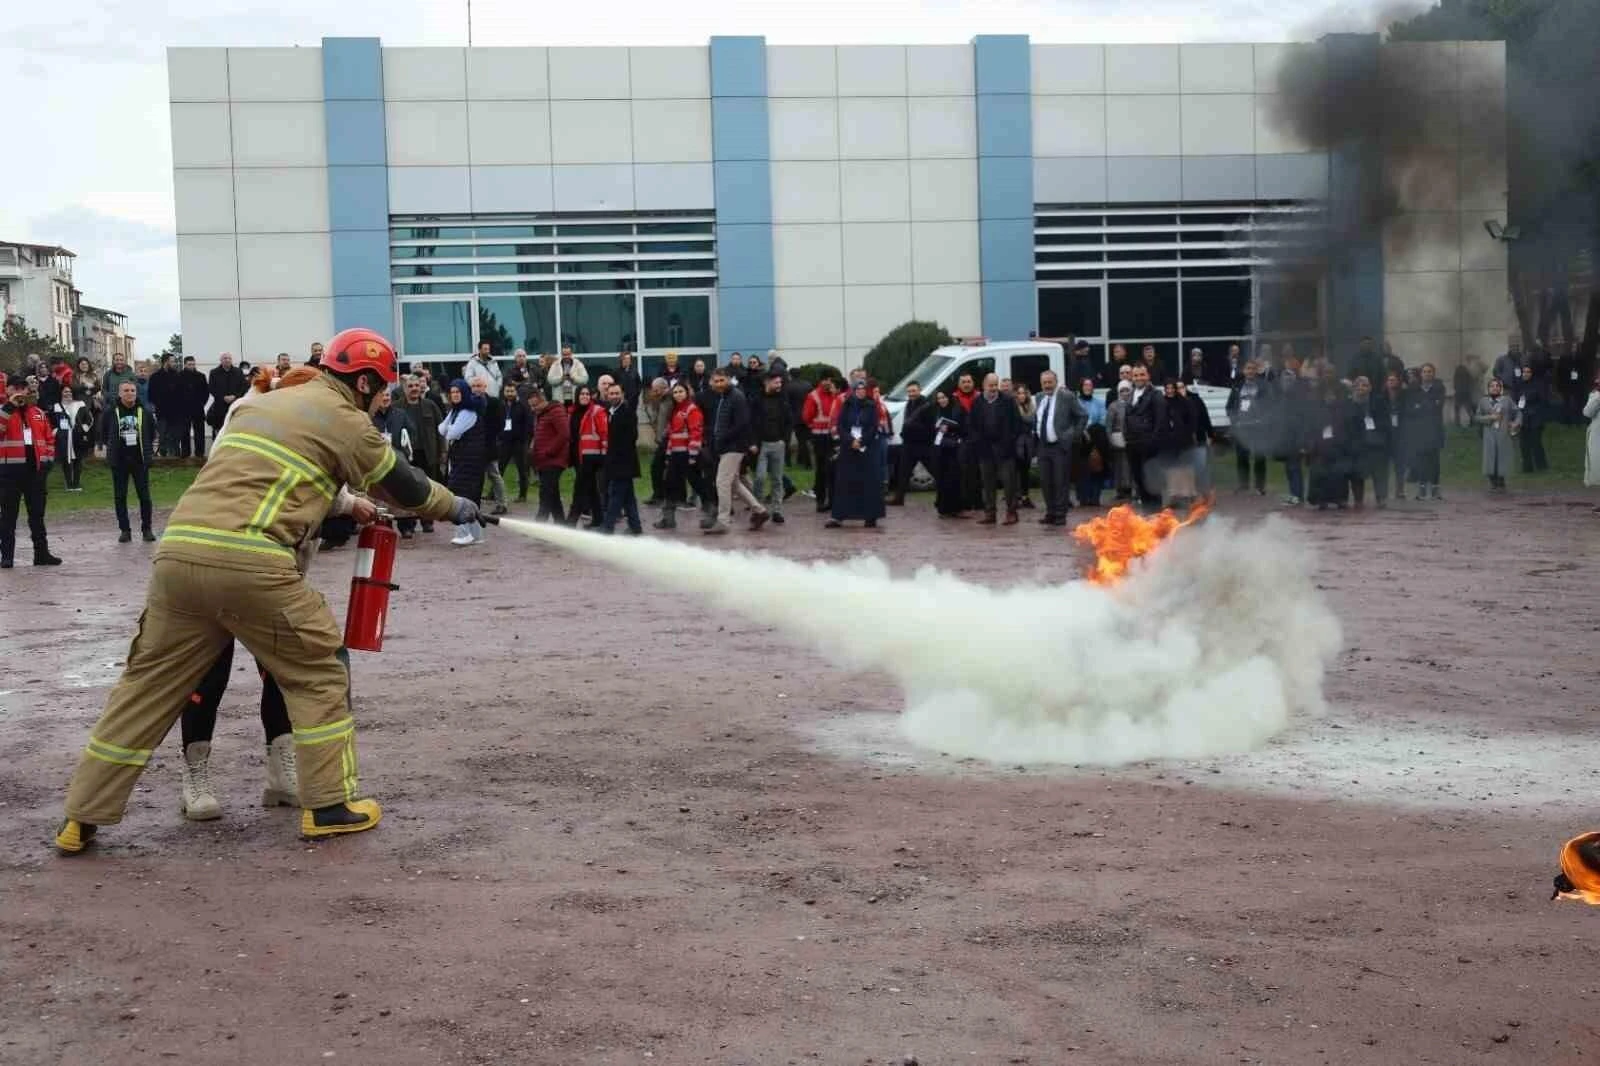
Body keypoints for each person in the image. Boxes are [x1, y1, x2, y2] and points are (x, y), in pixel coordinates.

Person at [56, 328, 480, 854]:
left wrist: (346, 505)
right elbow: (405, 486)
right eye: (380, 391)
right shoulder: (346, 420)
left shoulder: (266, 405)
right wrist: (454, 505)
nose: (380, 402)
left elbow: (267, 477)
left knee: (144, 687)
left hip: (178, 555)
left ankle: (81, 817)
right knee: (321, 665)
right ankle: (328, 806)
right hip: (252, 561)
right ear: (365, 380)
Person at [173, 366, 366, 822]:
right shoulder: (245, 414)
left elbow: (309, 479)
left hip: (276, 573)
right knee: (207, 677)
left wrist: (350, 503)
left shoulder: (306, 425)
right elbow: (267, 473)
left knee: (281, 671)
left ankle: (281, 776)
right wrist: (347, 502)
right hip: (225, 564)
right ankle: (194, 778)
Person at [1, 375, 62, 569]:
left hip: (35, 472)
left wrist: (48, 460)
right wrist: (9, 408)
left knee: (37, 515)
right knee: (8, 516)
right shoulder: (3, 412)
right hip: (8, 473)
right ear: (8, 390)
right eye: (15, 388)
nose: (20, 391)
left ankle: (41, 554)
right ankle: (7, 556)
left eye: (23, 388)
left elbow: (49, 439)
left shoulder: (38, 413)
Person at [706, 368, 768, 534]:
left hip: (733, 447)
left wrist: (723, 438)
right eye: (716, 381)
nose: (718, 384)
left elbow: (742, 423)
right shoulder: (723, 397)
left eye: (721, 380)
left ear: (728, 379)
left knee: (722, 482)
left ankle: (723, 521)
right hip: (726, 446)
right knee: (734, 483)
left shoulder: (736, 396)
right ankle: (760, 511)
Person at [826, 378, 885, 529]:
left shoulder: (871, 405)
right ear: (853, 390)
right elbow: (841, 425)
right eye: (858, 389)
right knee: (845, 481)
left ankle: (870, 516)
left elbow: (873, 426)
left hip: (867, 448)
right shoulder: (847, 404)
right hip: (849, 446)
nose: (861, 392)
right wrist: (850, 440)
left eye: (863, 389)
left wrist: (862, 441)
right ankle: (839, 516)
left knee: (869, 482)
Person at [103, 380, 157, 542]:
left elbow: (152, 432)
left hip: (139, 460)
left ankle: (147, 529)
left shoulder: (144, 411)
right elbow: (104, 432)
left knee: (145, 497)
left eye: (133, 390)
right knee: (120, 496)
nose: (130, 393)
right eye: (126, 390)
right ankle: (125, 530)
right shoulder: (110, 411)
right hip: (119, 461)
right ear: (119, 394)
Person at [968, 373, 1023, 525]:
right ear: (984, 385)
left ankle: (1012, 512)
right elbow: (971, 424)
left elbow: (1017, 423)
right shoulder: (977, 402)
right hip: (985, 449)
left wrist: (1010, 440)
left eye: (995, 385)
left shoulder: (1008, 401)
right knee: (988, 483)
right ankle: (990, 513)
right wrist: (977, 441)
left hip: (1005, 450)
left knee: (1009, 482)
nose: (993, 388)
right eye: (990, 385)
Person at [1034, 370, 1087, 526]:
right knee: (1045, 481)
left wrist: (1073, 435)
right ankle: (1050, 512)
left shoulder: (1066, 396)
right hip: (1043, 445)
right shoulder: (1039, 397)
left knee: (1060, 481)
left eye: (1050, 382)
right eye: (1044, 383)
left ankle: (1060, 514)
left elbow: (1082, 415)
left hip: (1060, 445)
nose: (1047, 385)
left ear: (1056, 382)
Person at [440, 379, 489, 545]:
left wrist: (451, 429)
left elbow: (450, 434)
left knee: (461, 494)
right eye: (452, 392)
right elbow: (441, 428)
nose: (454, 395)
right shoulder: (456, 410)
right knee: (468, 494)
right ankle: (476, 535)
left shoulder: (467, 412)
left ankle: (463, 533)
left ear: (464, 392)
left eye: (458, 392)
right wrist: (450, 428)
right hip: (463, 458)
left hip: (470, 459)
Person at [654, 382, 705, 530]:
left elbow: (696, 433)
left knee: (697, 484)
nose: (677, 394)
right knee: (669, 485)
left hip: (688, 455)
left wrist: (693, 456)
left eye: (680, 391)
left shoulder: (692, 410)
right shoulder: (676, 411)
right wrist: (669, 454)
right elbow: (672, 435)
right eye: (675, 392)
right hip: (676, 455)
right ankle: (668, 519)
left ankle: (711, 512)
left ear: (687, 393)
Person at [371, 386, 420, 539]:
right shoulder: (370, 416)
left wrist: (407, 448)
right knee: (382, 496)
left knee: (403, 494)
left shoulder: (400, 414)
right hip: (379, 460)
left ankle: (407, 527)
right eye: (382, 395)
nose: (385, 398)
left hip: (399, 459)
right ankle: (385, 526)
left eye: (387, 395)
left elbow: (412, 433)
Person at [599, 381, 643, 535]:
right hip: (616, 463)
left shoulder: (627, 412)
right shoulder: (610, 412)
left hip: (623, 463)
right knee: (628, 497)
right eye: (611, 393)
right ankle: (635, 527)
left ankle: (607, 527)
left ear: (622, 394)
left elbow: (631, 437)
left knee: (615, 495)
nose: (614, 396)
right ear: (607, 395)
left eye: (617, 393)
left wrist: (615, 458)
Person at [752, 372, 792, 524]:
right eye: (776, 382)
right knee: (760, 477)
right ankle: (757, 509)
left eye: (780, 382)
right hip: (761, 444)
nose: (779, 385)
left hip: (778, 444)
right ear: (766, 382)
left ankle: (777, 510)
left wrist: (784, 440)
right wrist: (753, 442)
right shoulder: (756, 400)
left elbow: (789, 420)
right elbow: (751, 421)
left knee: (777, 479)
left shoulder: (783, 399)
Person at [1405, 362, 1448, 501]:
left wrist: (1422, 405)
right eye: (1425, 371)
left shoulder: (1439, 388)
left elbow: (1438, 406)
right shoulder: (1414, 389)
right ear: (1421, 374)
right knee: (1421, 460)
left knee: (1434, 460)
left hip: (1435, 429)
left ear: (1433, 374)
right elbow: (1411, 408)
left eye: (1430, 371)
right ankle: (1422, 489)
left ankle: (1435, 489)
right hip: (1420, 431)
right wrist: (1427, 404)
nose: (1427, 374)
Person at [1305, 382, 1352, 510]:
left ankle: (1340, 499)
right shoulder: (1316, 409)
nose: (1330, 397)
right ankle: (1321, 500)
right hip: (1320, 447)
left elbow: (1346, 426)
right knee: (1319, 474)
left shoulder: (1341, 409)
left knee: (1339, 474)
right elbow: (1310, 428)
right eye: (1327, 395)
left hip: (1338, 445)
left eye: (1332, 395)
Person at [1124, 365, 1164, 510]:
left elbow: (1160, 421)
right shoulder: (1130, 395)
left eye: (1142, 375)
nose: (1139, 378)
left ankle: (1156, 515)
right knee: (1139, 481)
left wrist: (1153, 442)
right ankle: (1147, 514)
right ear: (1131, 378)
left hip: (1149, 445)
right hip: (1133, 445)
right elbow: (1127, 419)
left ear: (1148, 376)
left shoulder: (1156, 394)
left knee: (1151, 482)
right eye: (1136, 375)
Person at [1226, 360, 1270, 495]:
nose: (1250, 371)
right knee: (1242, 457)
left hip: (1257, 427)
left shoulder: (1263, 387)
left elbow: (1269, 406)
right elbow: (1229, 406)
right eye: (1248, 368)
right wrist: (1234, 421)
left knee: (1259, 457)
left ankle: (1260, 486)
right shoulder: (1237, 387)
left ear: (1256, 371)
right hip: (1241, 428)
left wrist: (1263, 419)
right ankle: (1243, 485)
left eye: (1253, 369)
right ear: (1244, 371)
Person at [1348, 375, 1392, 508]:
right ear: (1354, 388)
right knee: (1357, 472)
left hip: (1377, 443)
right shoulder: (1350, 404)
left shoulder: (1378, 401)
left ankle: (1381, 498)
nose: (1361, 388)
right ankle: (1358, 500)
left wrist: (1381, 436)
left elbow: (1386, 422)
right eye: (1358, 385)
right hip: (1358, 444)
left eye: (1365, 385)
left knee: (1379, 473)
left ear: (1370, 388)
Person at [892, 381, 936, 508]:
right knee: (903, 472)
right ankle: (899, 498)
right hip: (909, 444)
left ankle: (947, 495)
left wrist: (913, 428)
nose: (911, 394)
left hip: (923, 445)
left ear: (919, 390)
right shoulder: (908, 404)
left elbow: (930, 427)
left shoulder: (927, 405)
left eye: (914, 391)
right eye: (909, 391)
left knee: (935, 470)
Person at [528, 389, 570, 522]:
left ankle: (539, 523)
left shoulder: (556, 411)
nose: (533, 409)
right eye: (531, 406)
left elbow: (564, 434)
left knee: (545, 494)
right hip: (544, 461)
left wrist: (550, 452)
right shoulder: (542, 414)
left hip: (553, 461)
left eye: (535, 405)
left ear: (543, 400)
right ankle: (561, 525)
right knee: (553, 495)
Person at [802, 377, 841, 513]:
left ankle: (832, 500)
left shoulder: (836, 395)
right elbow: (807, 416)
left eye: (830, 380)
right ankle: (820, 500)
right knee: (821, 470)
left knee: (832, 469)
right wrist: (815, 426)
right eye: (825, 379)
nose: (828, 383)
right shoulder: (813, 396)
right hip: (819, 437)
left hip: (833, 437)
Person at [1475, 377, 1520, 492]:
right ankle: (1492, 481)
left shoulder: (1507, 400)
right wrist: (1490, 417)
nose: (1495, 388)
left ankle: (1501, 482)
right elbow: (1477, 417)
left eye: (1497, 386)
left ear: (1501, 388)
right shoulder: (1483, 401)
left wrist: (1515, 423)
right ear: (1488, 388)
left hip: (1503, 433)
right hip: (1489, 434)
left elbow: (1518, 412)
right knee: (1490, 457)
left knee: (1502, 457)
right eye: (1492, 386)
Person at [1274, 368, 1309, 507]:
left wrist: (1302, 442)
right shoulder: (1281, 396)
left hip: (1296, 439)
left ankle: (1298, 495)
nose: (1286, 381)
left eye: (1289, 379)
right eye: (1284, 379)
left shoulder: (1299, 397)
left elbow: (1303, 421)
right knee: (1289, 468)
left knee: (1295, 468)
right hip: (1285, 438)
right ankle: (1294, 494)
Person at [1159, 380, 1197, 506]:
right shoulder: (1161, 402)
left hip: (1184, 440)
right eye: (1167, 388)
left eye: (1172, 388)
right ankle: (1173, 496)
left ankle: (1188, 494)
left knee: (1185, 467)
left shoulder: (1185, 402)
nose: (1169, 391)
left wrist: (1186, 432)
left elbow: (1191, 420)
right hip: (1167, 441)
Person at [1073, 376, 1109, 509]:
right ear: (1081, 387)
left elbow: (1103, 419)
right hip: (1081, 441)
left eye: (1090, 385)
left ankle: (1095, 497)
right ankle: (1083, 497)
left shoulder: (1099, 402)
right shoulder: (1075, 402)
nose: (1088, 387)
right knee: (1082, 471)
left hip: (1096, 441)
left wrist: (1091, 431)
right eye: (1085, 385)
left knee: (1097, 468)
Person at [929, 391, 966, 518]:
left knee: (954, 477)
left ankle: (955, 507)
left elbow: (963, 426)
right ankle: (943, 508)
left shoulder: (957, 410)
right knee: (942, 478)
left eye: (944, 397)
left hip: (953, 447)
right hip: (939, 447)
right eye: (939, 398)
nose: (942, 400)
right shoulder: (935, 411)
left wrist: (950, 428)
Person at [51, 385, 94, 492]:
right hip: (64, 437)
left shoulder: (80, 404)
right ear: (61, 393)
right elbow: (51, 422)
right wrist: (56, 432)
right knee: (66, 460)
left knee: (78, 459)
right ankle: (69, 484)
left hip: (77, 436)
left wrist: (83, 429)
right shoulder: (56, 406)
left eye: (69, 391)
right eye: (65, 392)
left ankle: (76, 483)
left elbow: (89, 419)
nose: (68, 393)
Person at [496, 381, 531, 503]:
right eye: (507, 391)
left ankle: (522, 495)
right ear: (504, 392)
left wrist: (525, 439)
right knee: (499, 469)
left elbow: (528, 424)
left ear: (516, 392)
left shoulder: (523, 405)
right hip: (504, 441)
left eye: (512, 391)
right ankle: (493, 493)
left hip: (518, 442)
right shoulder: (501, 405)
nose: (509, 393)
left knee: (522, 470)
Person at [1513, 364, 1550, 473]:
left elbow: (1543, 401)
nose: (1526, 374)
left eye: (1528, 372)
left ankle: (1541, 466)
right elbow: (1515, 401)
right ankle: (1527, 467)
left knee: (1536, 442)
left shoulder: (1538, 385)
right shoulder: (1519, 385)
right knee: (1523, 444)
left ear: (1532, 374)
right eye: (1524, 372)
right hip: (1523, 418)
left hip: (1535, 418)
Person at [207, 353, 247, 445]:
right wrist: (223, 397)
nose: (227, 360)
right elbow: (211, 388)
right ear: (221, 360)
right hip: (219, 407)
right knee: (219, 431)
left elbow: (244, 387)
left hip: (235, 406)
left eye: (229, 358)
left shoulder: (238, 372)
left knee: (235, 429)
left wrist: (235, 396)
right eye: (225, 358)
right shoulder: (214, 372)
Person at [177, 356, 210, 458]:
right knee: (184, 432)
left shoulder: (201, 376)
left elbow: (206, 392)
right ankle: (185, 452)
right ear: (185, 365)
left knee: (199, 432)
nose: (192, 366)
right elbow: (176, 393)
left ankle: (199, 453)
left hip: (198, 408)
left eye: (193, 364)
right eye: (189, 364)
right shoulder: (179, 376)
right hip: (184, 409)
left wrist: (201, 403)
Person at [1107, 380, 1133, 502]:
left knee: (1131, 466)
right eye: (1122, 391)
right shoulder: (1113, 406)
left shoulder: (1134, 404)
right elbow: (1108, 425)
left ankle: (1132, 490)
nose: (1125, 393)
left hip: (1132, 440)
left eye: (1127, 390)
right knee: (1119, 467)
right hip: (1118, 441)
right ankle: (1120, 491)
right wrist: (1111, 440)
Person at [1585, 371, 1600, 488]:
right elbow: (1587, 412)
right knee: (1595, 455)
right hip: (1597, 431)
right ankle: (1595, 480)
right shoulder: (1595, 396)